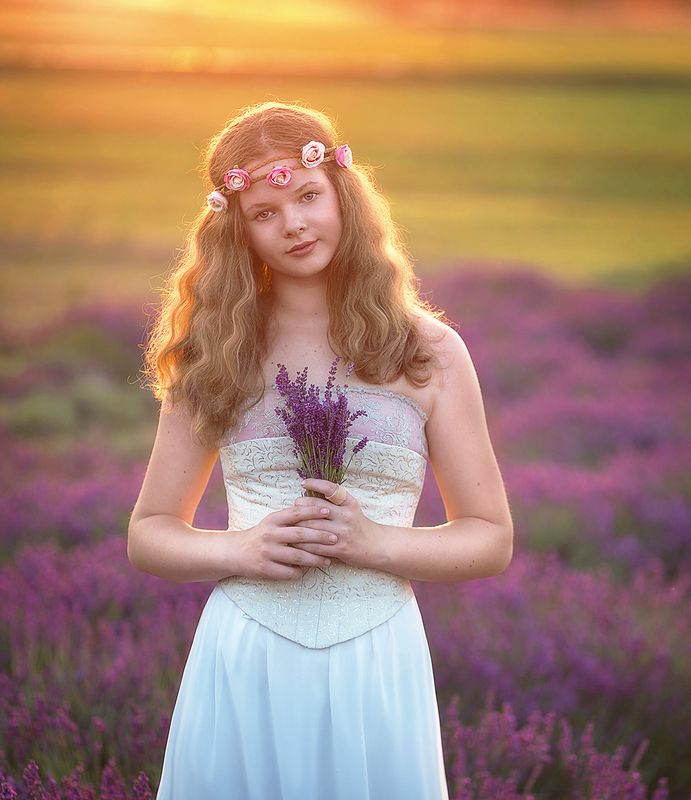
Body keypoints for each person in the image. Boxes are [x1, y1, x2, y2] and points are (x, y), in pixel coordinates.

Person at [128, 100, 514, 800]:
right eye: (265, 213)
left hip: (377, 659)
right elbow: (149, 534)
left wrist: (374, 543)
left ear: (344, 195)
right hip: (247, 655)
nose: (294, 224)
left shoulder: (430, 352)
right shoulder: (214, 355)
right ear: (237, 232)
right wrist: (235, 550)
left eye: (307, 197)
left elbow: (490, 539)